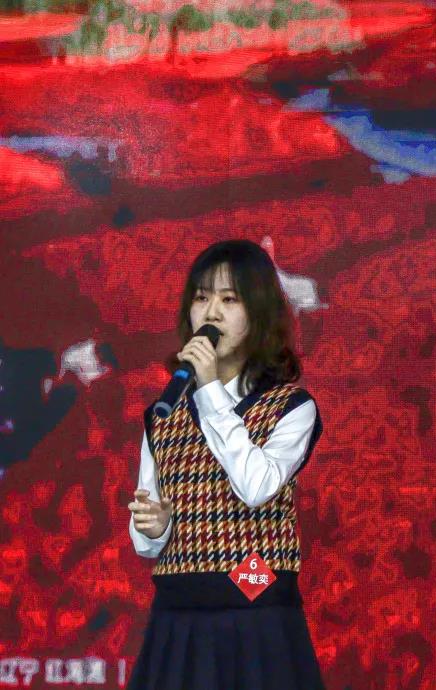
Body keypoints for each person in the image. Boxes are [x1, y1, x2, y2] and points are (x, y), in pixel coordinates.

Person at [127, 240, 324, 690]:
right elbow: (146, 541)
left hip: (257, 619)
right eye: (201, 298)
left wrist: (211, 390)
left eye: (229, 300)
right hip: (179, 623)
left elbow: (257, 487)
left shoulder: (291, 407)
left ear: (259, 314)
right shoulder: (163, 413)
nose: (211, 313)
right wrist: (154, 527)